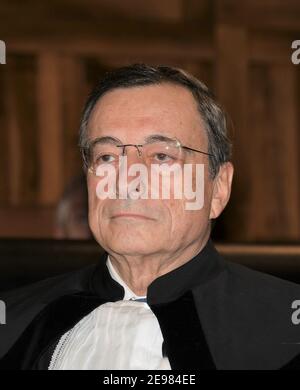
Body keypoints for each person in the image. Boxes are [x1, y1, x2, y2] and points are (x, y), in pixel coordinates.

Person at [1, 64, 300, 370]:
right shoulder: (11, 324)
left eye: (162, 156)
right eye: (107, 156)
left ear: (219, 189)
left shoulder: (289, 331)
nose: (127, 180)